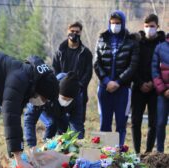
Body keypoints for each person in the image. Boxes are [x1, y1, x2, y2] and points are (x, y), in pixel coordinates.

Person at [94, 10, 139, 146]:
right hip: (104, 88)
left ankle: (118, 154)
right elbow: (96, 63)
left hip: (123, 89)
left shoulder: (131, 41)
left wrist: (118, 82)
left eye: (118, 23)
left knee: (121, 124)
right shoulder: (101, 39)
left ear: (123, 23)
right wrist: (107, 81)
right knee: (104, 124)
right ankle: (105, 155)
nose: (115, 25)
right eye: (112, 23)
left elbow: (133, 66)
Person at [131, 14, 165, 154]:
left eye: (152, 26)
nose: (149, 29)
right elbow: (132, 65)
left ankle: (148, 152)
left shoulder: (162, 44)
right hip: (138, 87)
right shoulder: (137, 42)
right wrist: (140, 83)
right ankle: (137, 152)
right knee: (135, 121)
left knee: (154, 122)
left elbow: (162, 67)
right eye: (146, 26)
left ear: (157, 27)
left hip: (155, 89)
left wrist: (153, 83)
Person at [24, 71, 84, 148]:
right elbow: (30, 118)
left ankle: (59, 148)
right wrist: (31, 144)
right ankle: (46, 147)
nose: (65, 101)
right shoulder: (48, 89)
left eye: (68, 100)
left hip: (60, 111)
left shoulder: (77, 98)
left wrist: (78, 141)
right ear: (58, 93)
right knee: (52, 123)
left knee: (65, 128)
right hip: (44, 107)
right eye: (63, 98)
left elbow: (77, 122)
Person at [52, 21, 93, 124]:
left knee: (78, 124)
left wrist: (79, 86)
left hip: (79, 92)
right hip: (62, 93)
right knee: (60, 123)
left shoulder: (86, 52)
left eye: (77, 32)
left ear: (81, 33)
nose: (74, 34)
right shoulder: (60, 51)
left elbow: (88, 73)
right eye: (72, 31)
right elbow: (55, 69)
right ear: (67, 32)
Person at [152, 33, 169, 153]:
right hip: (163, 94)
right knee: (160, 122)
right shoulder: (160, 47)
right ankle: (160, 152)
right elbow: (154, 70)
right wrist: (163, 89)